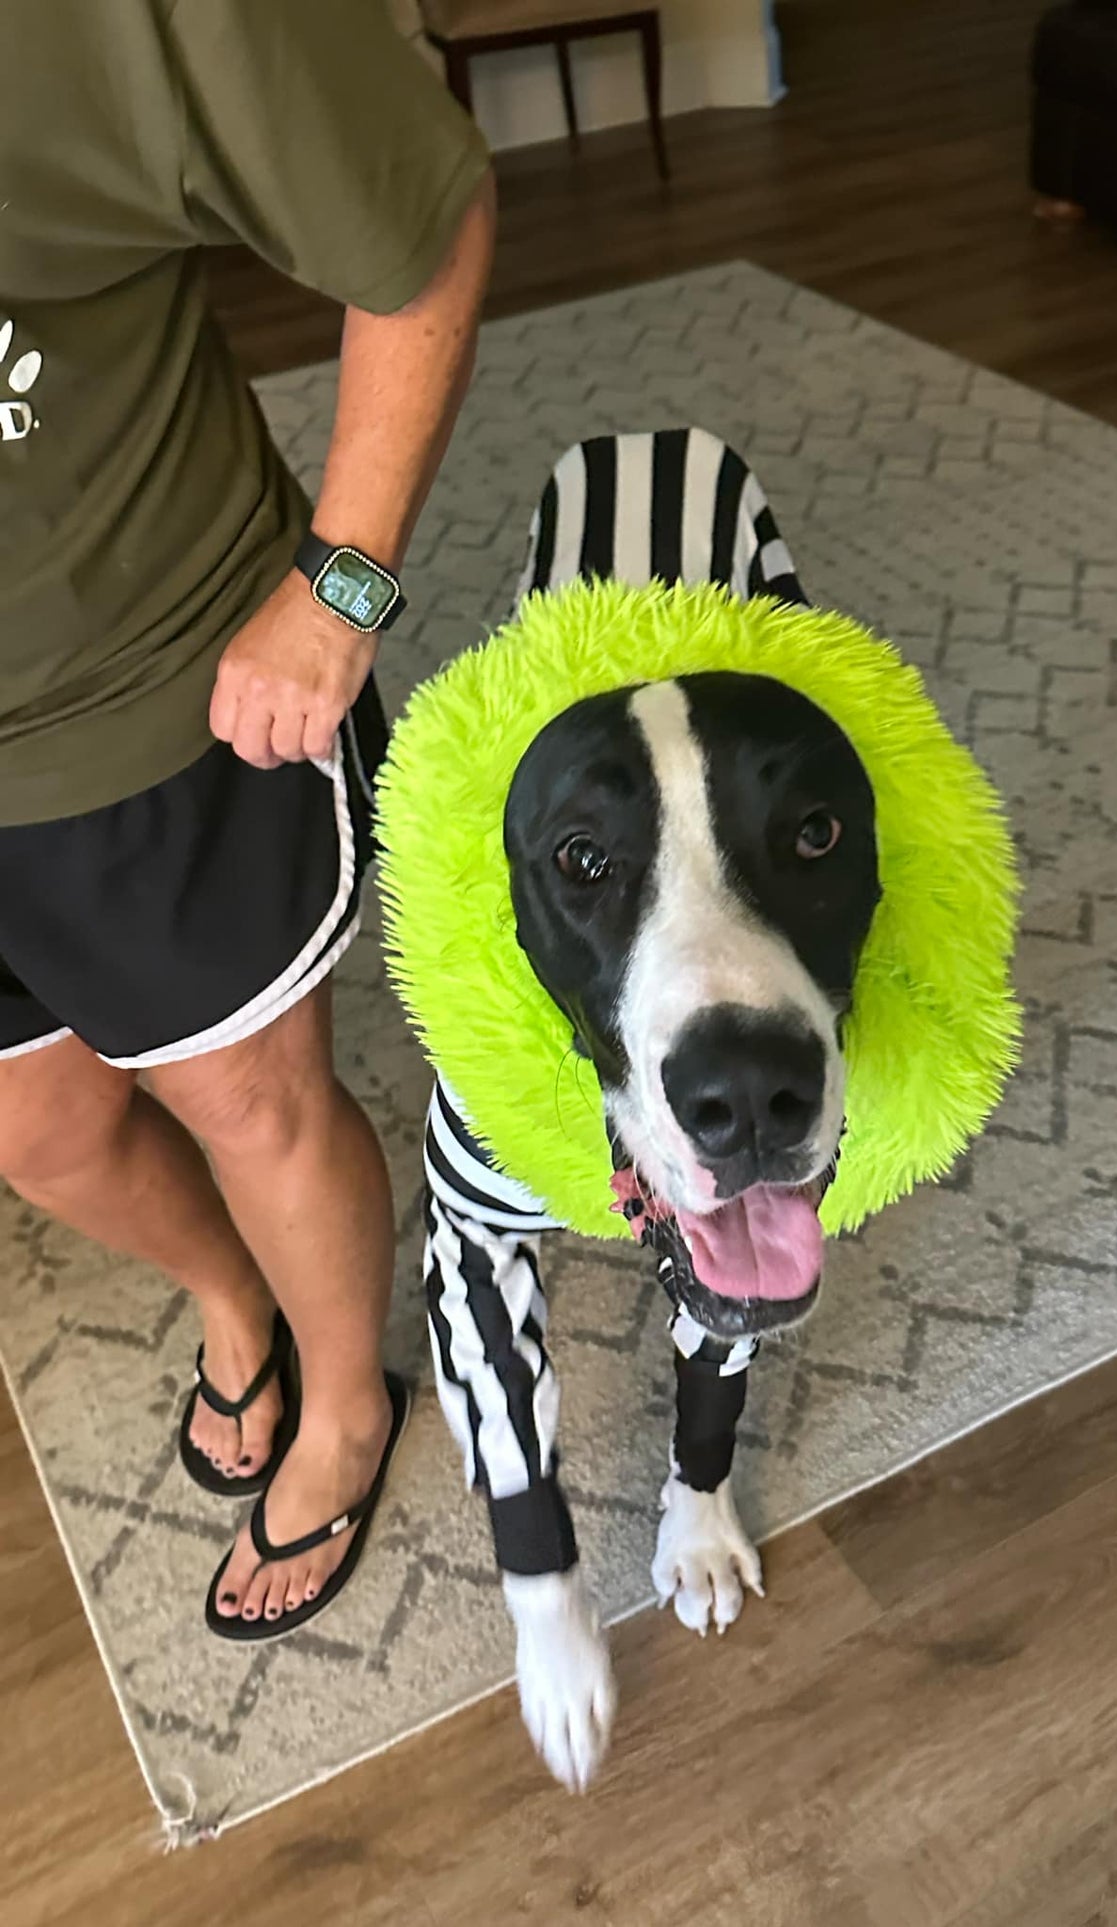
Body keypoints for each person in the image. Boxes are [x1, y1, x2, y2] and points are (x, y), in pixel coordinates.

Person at [0, 0, 495, 1637]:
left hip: (135, 700)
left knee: (245, 1099)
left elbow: (420, 220)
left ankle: (346, 1403)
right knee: (42, 1134)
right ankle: (234, 1300)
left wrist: (339, 586)